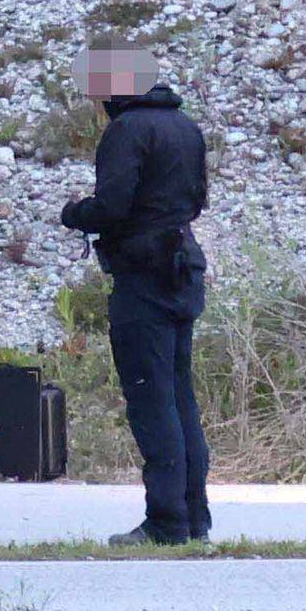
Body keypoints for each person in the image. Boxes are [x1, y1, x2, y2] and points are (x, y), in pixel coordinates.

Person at [60, 41, 212, 545]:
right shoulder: (185, 127)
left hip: (143, 275)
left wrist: (76, 213)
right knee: (180, 396)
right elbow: (198, 200)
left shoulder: (127, 130)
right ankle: (194, 520)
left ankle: (166, 523)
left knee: (151, 400)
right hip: (183, 268)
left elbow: (114, 206)